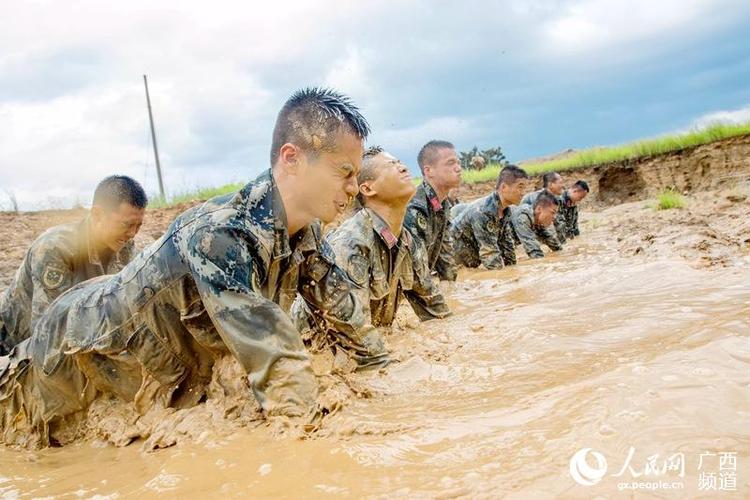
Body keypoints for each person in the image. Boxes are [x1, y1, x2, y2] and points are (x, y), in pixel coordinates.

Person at [0, 87, 370, 447]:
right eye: (344, 171)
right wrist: (318, 450)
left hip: (132, 358)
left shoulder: (306, 236)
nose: (354, 187)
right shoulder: (218, 233)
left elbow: (351, 326)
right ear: (292, 159)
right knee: (28, 435)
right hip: (68, 351)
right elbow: (277, 361)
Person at [293, 147, 450, 368]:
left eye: (400, 162)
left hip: (365, 342)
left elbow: (437, 311)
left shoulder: (408, 242)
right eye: (391, 165)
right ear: (367, 188)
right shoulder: (351, 243)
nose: (403, 167)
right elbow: (354, 334)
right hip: (315, 348)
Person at [0, 175, 146, 355]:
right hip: (13, 343)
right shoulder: (55, 248)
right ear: (97, 215)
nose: (132, 233)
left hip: (79, 331)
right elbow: (48, 331)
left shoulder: (124, 246)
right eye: (127, 225)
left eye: (138, 226)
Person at [403, 140, 462, 282]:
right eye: (450, 163)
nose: (458, 168)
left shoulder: (442, 205)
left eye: (458, 162)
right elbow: (417, 274)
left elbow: (445, 257)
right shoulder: (415, 208)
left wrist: (453, 289)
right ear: (428, 171)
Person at [450, 165, 529, 269]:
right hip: (451, 264)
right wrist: (504, 278)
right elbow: (489, 254)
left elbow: (507, 246)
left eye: (524, 188)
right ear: (504, 187)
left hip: (468, 262)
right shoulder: (483, 212)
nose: (523, 193)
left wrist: (514, 271)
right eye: (520, 187)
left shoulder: (504, 212)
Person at [511, 190, 562, 259]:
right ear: (539, 209)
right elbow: (534, 251)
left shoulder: (537, 220)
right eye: (552, 212)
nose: (554, 217)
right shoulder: (523, 216)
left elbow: (554, 244)